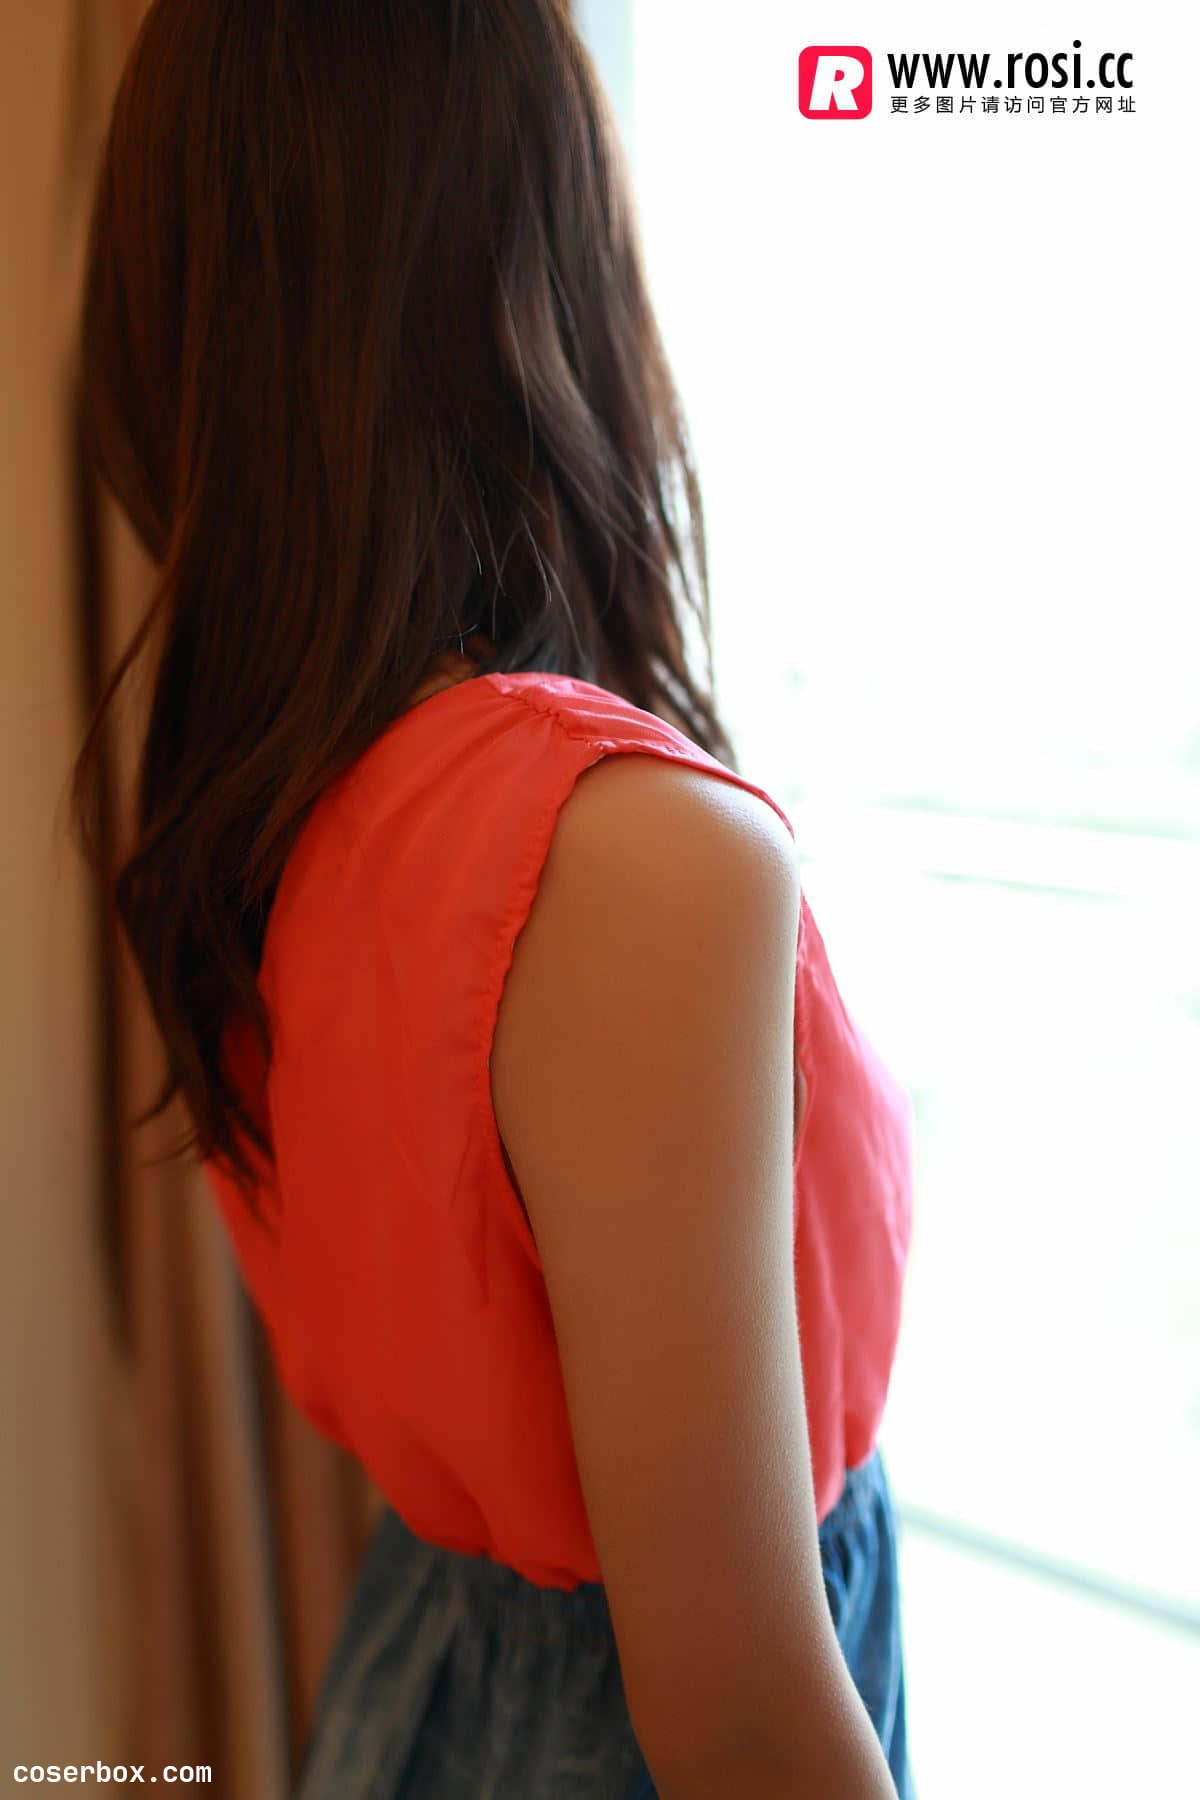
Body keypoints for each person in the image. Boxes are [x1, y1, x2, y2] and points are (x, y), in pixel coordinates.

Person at [72, 2, 915, 1795]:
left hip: (418, 1680)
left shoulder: (267, 807)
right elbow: (742, 1720)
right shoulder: (634, 859)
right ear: (542, 275)